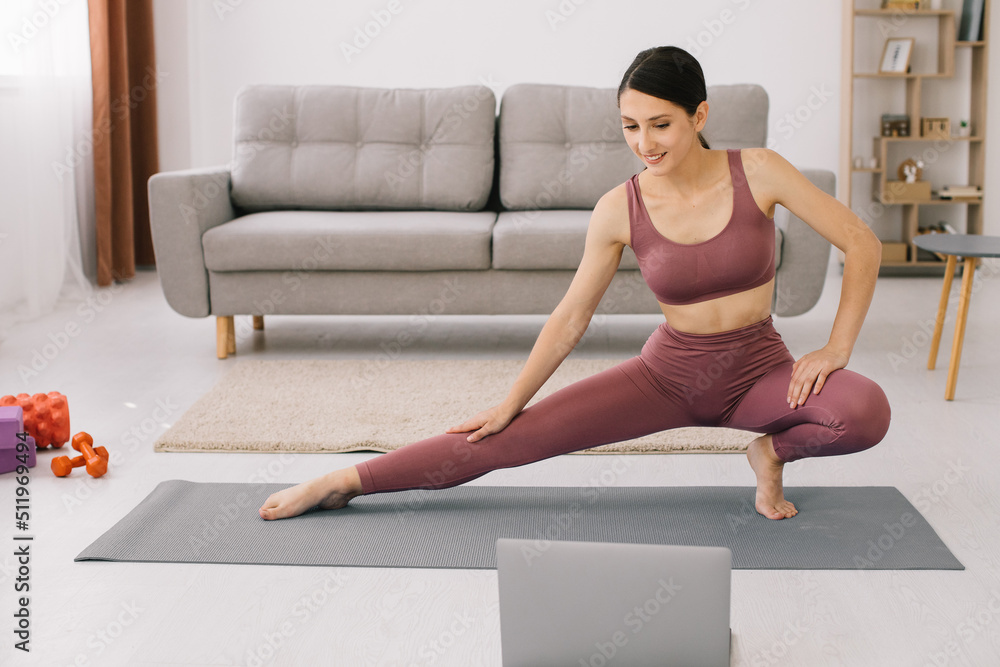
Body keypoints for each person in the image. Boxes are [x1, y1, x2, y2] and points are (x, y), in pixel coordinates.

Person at [258, 46, 891, 522]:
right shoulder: (620, 207)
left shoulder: (760, 170)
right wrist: (512, 401)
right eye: (630, 126)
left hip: (759, 372)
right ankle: (345, 481)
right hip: (666, 377)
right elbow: (570, 319)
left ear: (699, 115)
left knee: (863, 413)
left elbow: (862, 243)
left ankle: (769, 457)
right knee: (503, 442)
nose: (644, 142)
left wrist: (835, 350)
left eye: (660, 124)